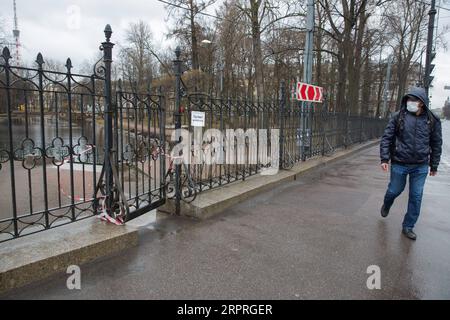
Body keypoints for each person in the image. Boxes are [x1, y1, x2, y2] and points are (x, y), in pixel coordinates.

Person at [379, 86, 442, 240]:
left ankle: (408, 226)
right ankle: (387, 204)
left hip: (420, 166)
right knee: (394, 191)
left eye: (414, 100)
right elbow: (387, 138)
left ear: (422, 103)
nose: (410, 102)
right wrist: (384, 159)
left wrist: (434, 165)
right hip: (400, 163)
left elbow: (436, 143)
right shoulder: (398, 116)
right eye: (408, 99)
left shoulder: (432, 120)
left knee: (416, 196)